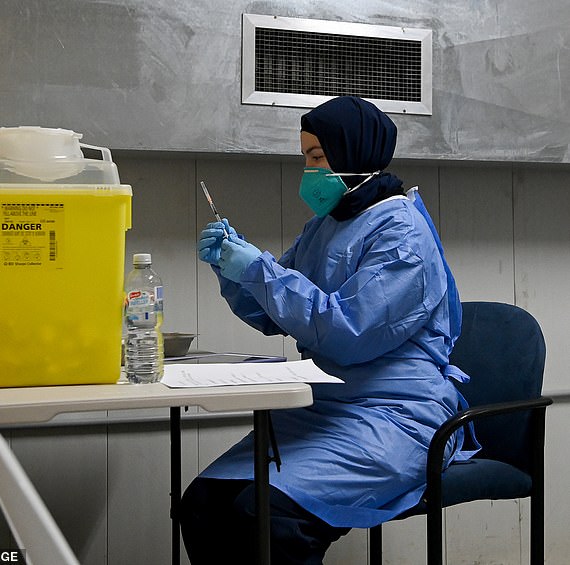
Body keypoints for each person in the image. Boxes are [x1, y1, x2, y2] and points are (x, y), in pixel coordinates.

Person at [180, 96, 477, 564]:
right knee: (202, 506)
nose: (309, 171)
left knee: (268, 517)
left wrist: (259, 270)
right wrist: (233, 269)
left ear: (353, 151)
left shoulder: (402, 233)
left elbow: (348, 332)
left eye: (317, 157)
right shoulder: (323, 226)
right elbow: (273, 314)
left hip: (394, 416)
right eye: (305, 159)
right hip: (320, 410)